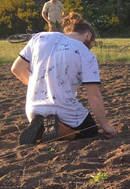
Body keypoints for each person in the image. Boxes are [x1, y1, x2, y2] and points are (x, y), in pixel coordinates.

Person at [12, 12, 117, 144]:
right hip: (64, 109)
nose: (90, 48)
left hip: (33, 110)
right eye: (92, 44)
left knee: (50, 119)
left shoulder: (39, 37)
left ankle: (42, 127)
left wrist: (42, 88)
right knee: (91, 131)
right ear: (89, 36)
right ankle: (60, 130)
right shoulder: (85, 53)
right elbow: (94, 96)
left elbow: (16, 68)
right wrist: (106, 126)